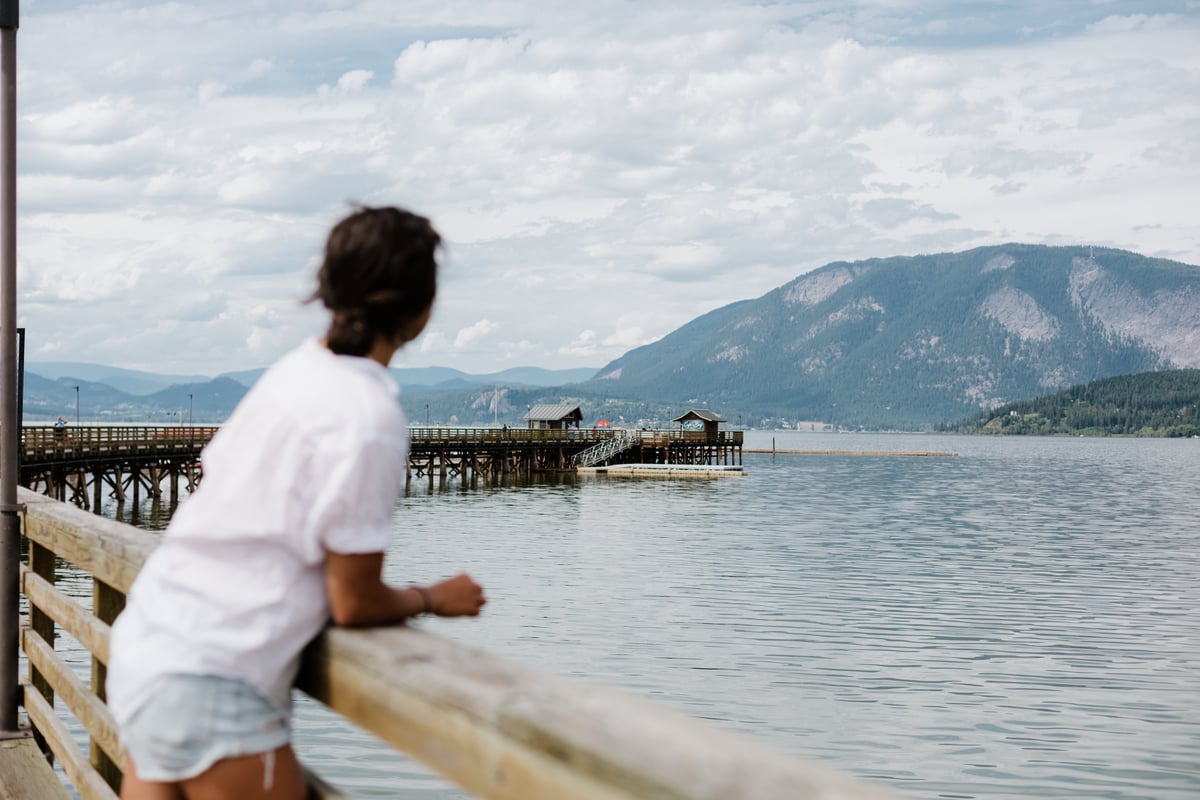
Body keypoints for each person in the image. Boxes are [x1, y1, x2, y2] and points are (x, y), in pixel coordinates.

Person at [106, 206, 487, 800]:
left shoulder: (293, 374)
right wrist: (433, 597)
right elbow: (353, 601)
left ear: (330, 292)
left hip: (149, 649)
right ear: (422, 310)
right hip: (217, 678)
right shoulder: (367, 415)